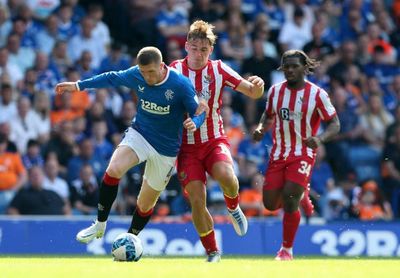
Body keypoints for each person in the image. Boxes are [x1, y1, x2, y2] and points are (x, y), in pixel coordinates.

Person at [55, 46, 208, 244]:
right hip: (140, 134)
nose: (147, 77)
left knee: (145, 204)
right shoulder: (137, 75)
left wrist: (194, 123)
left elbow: (200, 111)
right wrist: (78, 85)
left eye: (151, 72)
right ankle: (100, 224)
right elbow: (111, 77)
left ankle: (131, 239)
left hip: (166, 149)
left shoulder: (180, 84)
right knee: (114, 169)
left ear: (162, 66)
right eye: (143, 72)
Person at [169, 20, 265, 262]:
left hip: (213, 139)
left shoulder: (219, 69)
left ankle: (233, 207)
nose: (199, 54)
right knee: (197, 201)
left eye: (204, 50)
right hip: (186, 148)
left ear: (210, 50)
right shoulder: (173, 71)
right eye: (195, 48)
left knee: (226, 176)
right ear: (187, 46)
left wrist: (258, 85)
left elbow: (252, 92)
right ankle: (212, 251)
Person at [252, 50, 340, 261]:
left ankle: (286, 250)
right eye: (286, 67)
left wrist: (319, 139)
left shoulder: (317, 94)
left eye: (294, 66)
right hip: (279, 153)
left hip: (303, 153)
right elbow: (268, 114)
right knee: (270, 204)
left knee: (290, 199)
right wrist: (261, 127)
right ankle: (301, 193)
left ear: (304, 67)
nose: (290, 70)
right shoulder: (274, 92)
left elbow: (335, 124)